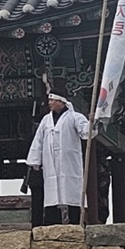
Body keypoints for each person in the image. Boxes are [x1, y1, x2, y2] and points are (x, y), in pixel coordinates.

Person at [25, 92, 91, 225]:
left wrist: (92, 124)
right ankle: (51, 222)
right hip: (50, 163)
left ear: (61, 102)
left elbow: (86, 133)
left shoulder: (75, 117)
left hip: (69, 163)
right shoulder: (46, 120)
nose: (49, 103)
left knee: (72, 193)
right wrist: (35, 161)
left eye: (53, 100)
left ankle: (76, 222)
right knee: (52, 195)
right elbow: (38, 141)